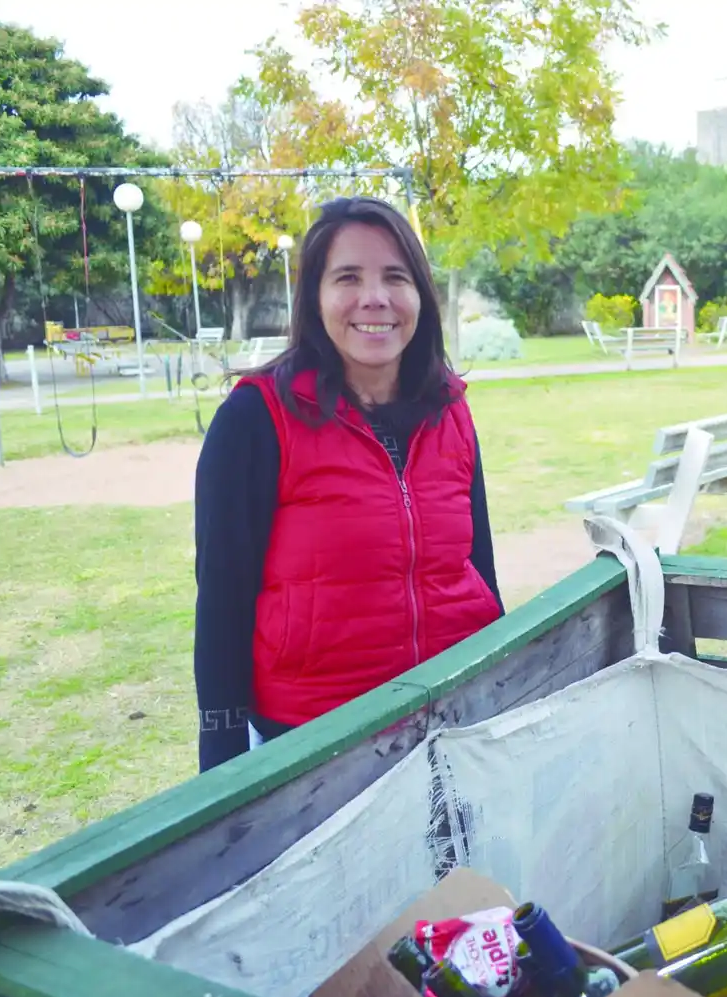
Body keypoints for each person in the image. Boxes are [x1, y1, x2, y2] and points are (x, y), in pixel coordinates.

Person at [192, 196, 504, 773]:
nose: (375, 298)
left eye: (395, 277)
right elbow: (221, 608)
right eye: (348, 277)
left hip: (454, 722)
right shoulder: (255, 420)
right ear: (315, 296)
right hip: (317, 748)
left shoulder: (451, 411)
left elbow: (477, 568)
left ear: (420, 297)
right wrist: (222, 775)